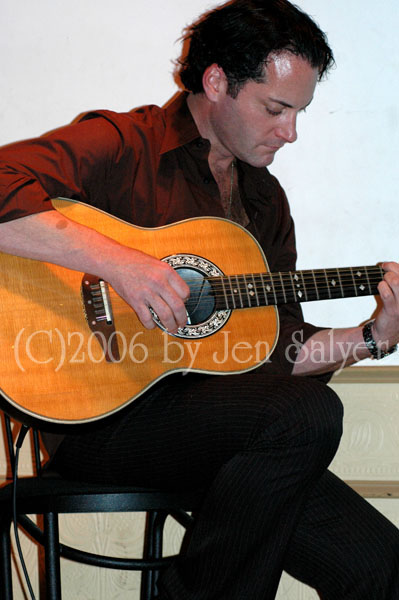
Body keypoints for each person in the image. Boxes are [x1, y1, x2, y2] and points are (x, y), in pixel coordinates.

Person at [1, 0, 399, 598]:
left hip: (226, 427)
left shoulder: (265, 204)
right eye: (276, 108)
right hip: (101, 422)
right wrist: (124, 265)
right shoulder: (124, 144)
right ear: (216, 82)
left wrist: (374, 337)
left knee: (382, 568)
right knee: (303, 414)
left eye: (299, 113)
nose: (290, 132)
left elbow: (278, 352)